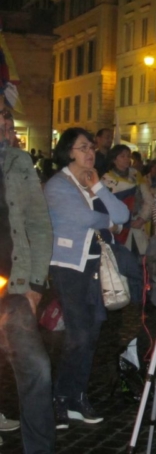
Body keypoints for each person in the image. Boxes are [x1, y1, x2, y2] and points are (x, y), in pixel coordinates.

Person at [44, 127, 130, 428]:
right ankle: (59, 399)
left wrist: (99, 190)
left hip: (94, 265)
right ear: (69, 151)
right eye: (82, 148)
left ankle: (76, 395)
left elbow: (123, 215)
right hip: (68, 266)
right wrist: (110, 224)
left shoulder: (93, 181)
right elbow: (84, 218)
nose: (90, 153)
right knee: (78, 334)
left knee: (91, 333)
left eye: (91, 147)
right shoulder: (58, 185)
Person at [0, 112, 55, 452]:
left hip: (15, 283)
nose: (6, 127)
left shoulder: (18, 161)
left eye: (7, 121)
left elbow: (39, 222)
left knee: (37, 368)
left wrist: (35, 284)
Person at [102, 144, 154, 255]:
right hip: (118, 229)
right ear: (114, 159)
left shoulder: (136, 175)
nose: (127, 159)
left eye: (128, 156)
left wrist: (142, 218)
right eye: (122, 156)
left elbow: (148, 199)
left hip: (137, 224)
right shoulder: (107, 180)